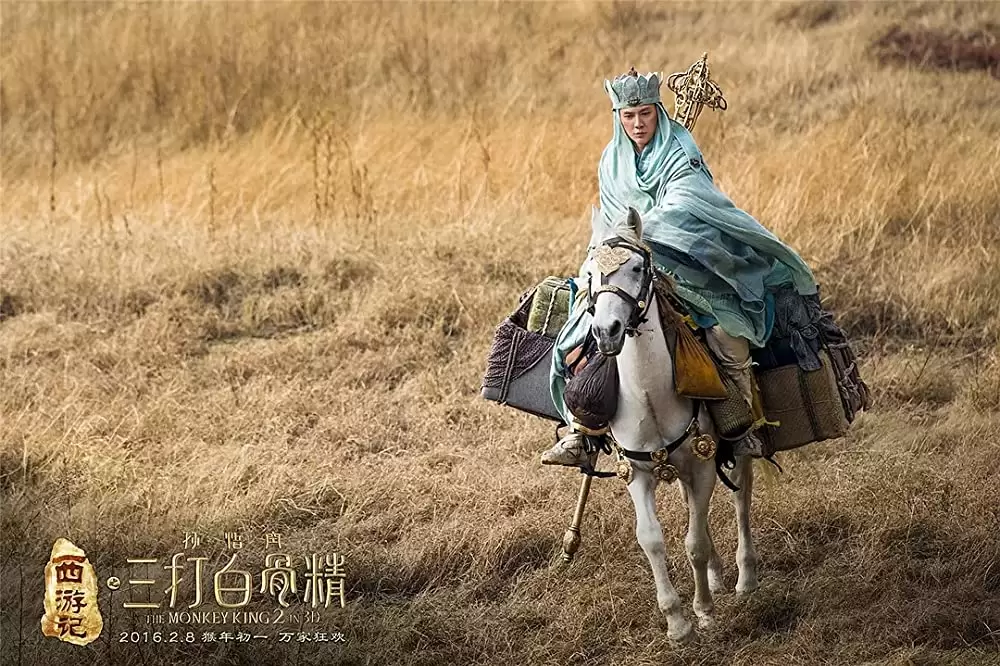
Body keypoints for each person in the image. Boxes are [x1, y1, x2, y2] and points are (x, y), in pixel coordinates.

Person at [540, 67, 819, 468]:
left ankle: (743, 425)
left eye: (646, 114)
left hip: (685, 265)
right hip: (623, 261)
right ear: (618, 117)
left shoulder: (680, 152)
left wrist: (644, 230)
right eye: (628, 116)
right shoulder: (610, 159)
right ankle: (581, 431)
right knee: (581, 331)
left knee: (726, 334)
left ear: (659, 112)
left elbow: (688, 208)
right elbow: (609, 218)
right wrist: (617, 246)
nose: (638, 124)